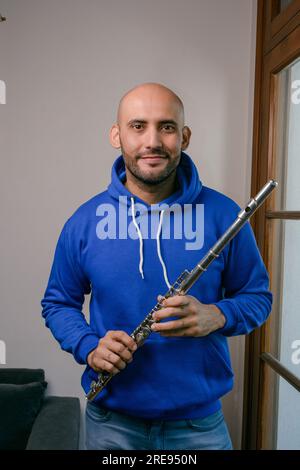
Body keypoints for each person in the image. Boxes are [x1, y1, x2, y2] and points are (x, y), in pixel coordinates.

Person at [41, 82, 272, 450]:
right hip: (111, 425)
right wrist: (88, 346)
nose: (152, 141)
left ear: (185, 136)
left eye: (166, 127)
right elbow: (57, 303)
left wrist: (218, 315)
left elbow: (258, 297)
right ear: (116, 135)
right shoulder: (84, 222)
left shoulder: (223, 215)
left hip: (200, 428)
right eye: (137, 126)